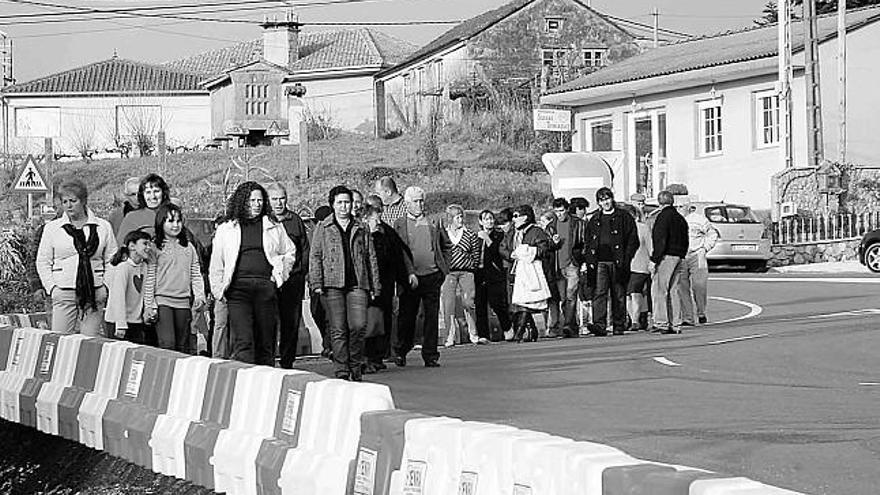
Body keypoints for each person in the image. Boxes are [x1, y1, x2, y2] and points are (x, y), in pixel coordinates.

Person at [209, 181, 297, 365]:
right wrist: (218, 290)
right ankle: (245, 382)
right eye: (252, 200)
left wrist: (279, 276)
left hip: (265, 288)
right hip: (237, 289)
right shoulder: (227, 228)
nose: (257, 204)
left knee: (266, 340)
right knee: (243, 341)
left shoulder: (273, 225)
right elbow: (217, 262)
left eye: (259, 200)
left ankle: (266, 381)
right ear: (242, 202)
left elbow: (289, 252)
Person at [309, 185, 380, 381]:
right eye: (339, 202)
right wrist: (316, 281)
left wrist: (375, 285)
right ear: (332, 205)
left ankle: (355, 365)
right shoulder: (323, 227)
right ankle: (341, 369)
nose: (343, 207)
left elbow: (370, 256)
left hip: (358, 283)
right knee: (338, 329)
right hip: (333, 284)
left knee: (358, 326)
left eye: (347, 202)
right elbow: (315, 256)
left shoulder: (361, 227)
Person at [36, 179, 118, 336]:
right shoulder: (52, 228)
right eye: (64, 201)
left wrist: (105, 287)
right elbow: (43, 261)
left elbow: (112, 259)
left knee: (89, 342)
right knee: (60, 340)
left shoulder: (103, 227)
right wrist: (52, 288)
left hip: (94, 292)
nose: (69, 205)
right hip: (63, 290)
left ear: (84, 201)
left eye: (73, 201)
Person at [393, 186, 446, 367]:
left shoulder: (433, 221)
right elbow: (398, 251)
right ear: (407, 203)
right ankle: (401, 350)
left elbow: (444, 245)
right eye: (415, 201)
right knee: (407, 316)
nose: (419, 204)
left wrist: (443, 269)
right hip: (410, 278)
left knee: (431, 317)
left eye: (421, 200)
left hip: (432, 275)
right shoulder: (400, 223)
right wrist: (405, 273)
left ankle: (430, 354)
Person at [145, 203, 206, 353]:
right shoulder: (155, 247)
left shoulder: (189, 247)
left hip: (184, 303)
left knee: (182, 346)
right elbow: (150, 277)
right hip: (163, 302)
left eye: (178, 221)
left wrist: (199, 296)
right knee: (167, 343)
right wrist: (149, 304)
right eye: (171, 221)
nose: (175, 225)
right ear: (161, 222)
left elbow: (196, 273)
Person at [362, 195, 414, 373]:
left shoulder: (387, 232)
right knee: (368, 322)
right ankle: (366, 358)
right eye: (375, 212)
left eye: (380, 211)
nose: (378, 216)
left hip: (385, 284)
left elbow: (400, 255)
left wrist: (407, 276)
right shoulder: (360, 233)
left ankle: (377, 357)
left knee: (381, 322)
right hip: (366, 285)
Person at [584, 187, 639, 336]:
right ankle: (599, 325)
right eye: (602, 200)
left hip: (618, 261)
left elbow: (633, 240)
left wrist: (627, 258)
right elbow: (588, 241)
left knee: (618, 293)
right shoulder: (594, 219)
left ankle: (619, 325)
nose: (606, 202)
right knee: (599, 293)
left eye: (607, 199)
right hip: (599, 261)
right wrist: (588, 259)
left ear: (612, 199)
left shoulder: (624, 217)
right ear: (598, 203)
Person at [268, 183, 311, 369]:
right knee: (268, 321)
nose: (278, 203)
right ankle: (268, 360)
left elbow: (304, 249)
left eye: (282, 198)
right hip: (269, 281)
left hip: (293, 280)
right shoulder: (263, 221)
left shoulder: (295, 220)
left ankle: (287, 361)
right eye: (274, 199)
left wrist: (301, 272)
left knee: (290, 322)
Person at [501, 204, 552, 343]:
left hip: (531, 272)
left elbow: (544, 249)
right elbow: (503, 247)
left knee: (526, 302)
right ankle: (530, 329)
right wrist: (511, 254)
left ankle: (520, 330)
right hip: (514, 272)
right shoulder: (512, 232)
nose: (514, 219)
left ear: (525, 217)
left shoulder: (537, 231)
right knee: (517, 303)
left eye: (516, 216)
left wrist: (530, 252)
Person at [439, 204, 485, 347]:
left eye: (461, 216)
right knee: (449, 304)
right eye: (457, 217)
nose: (460, 220)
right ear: (451, 219)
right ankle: (450, 336)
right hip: (449, 272)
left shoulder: (470, 234)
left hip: (466, 272)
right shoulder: (444, 234)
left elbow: (476, 254)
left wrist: (472, 265)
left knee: (469, 302)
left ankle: (473, 333)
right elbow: (440, 252)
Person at [650, 190, 689, 334]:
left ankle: (662, 322)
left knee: (661, 290)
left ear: (659, 203)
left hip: (666, 256)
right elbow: (686, 238)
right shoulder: (680, 218)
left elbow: (660, 240)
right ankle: (676, 323)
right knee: (674, 290)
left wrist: (655, 259)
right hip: (679, 256)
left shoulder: (662, 217)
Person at [105, 230, 152, 344]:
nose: (148, 247)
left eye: (150, 244)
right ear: (132, 246)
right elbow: (118, 297)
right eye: (145, 243)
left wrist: (149, 310)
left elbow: (147, 291)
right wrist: (120, 324)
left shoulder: (145, 267)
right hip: (117, 322)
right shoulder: (123, 268)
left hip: (136, 321)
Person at [548, 198, 586, 338]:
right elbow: (548, 247)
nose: (559, 214)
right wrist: (554, 243)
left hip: (572, 263)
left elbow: (583, 243)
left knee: (571, 295)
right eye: (556, 211)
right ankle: (571, 325)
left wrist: (581, 261)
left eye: (562, 211)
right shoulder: (551, 226)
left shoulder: (577, 223)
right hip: (558, 266)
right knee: (563, 298)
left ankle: (568, 326)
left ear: (567, 209)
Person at [474, 210, 511, 342]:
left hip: (495, 272)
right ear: (480, 222)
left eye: (491, 219)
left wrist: (487, 239)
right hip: (479, 273)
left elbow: (498, 251)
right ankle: (483, 335)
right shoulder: (476, 236)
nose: (489, 221)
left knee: (497, 303)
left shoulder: (499, 235)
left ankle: (507, 328)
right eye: (486, 219)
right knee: (480, 304)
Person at [679, 203, 719, 325]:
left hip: (697, 254)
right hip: (681, 255)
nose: (680, 209)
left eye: (682, 206)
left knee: (699, 286)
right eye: (678, 206)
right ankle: (687, 317)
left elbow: (712, 234)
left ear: (689, 207)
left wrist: (705, 248)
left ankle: (701, 312)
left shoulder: (699, 220)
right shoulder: (676, 219)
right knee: (682, 287)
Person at [115, 173, 171, 244]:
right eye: (148, 192)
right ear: (142, 195)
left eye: (156, 191)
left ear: (163, 193)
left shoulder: (173, 213)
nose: (153, 196)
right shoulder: (132, 218)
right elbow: (122, 245)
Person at [309, 205, 333, 358]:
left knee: (331, 317)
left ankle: (330, 346)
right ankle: (327, 342)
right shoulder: (313, 234)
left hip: (332, 281)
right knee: (317, 313)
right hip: (315, 282)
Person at [625, 205, 652, 331]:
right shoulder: (622, 229)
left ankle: (636, 320)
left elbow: (650, 246)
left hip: (640, 265)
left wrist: (653, 262)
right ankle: (632, 318)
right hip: (626, 266)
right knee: (628, 295)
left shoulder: (643, 228)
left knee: (636, 293)